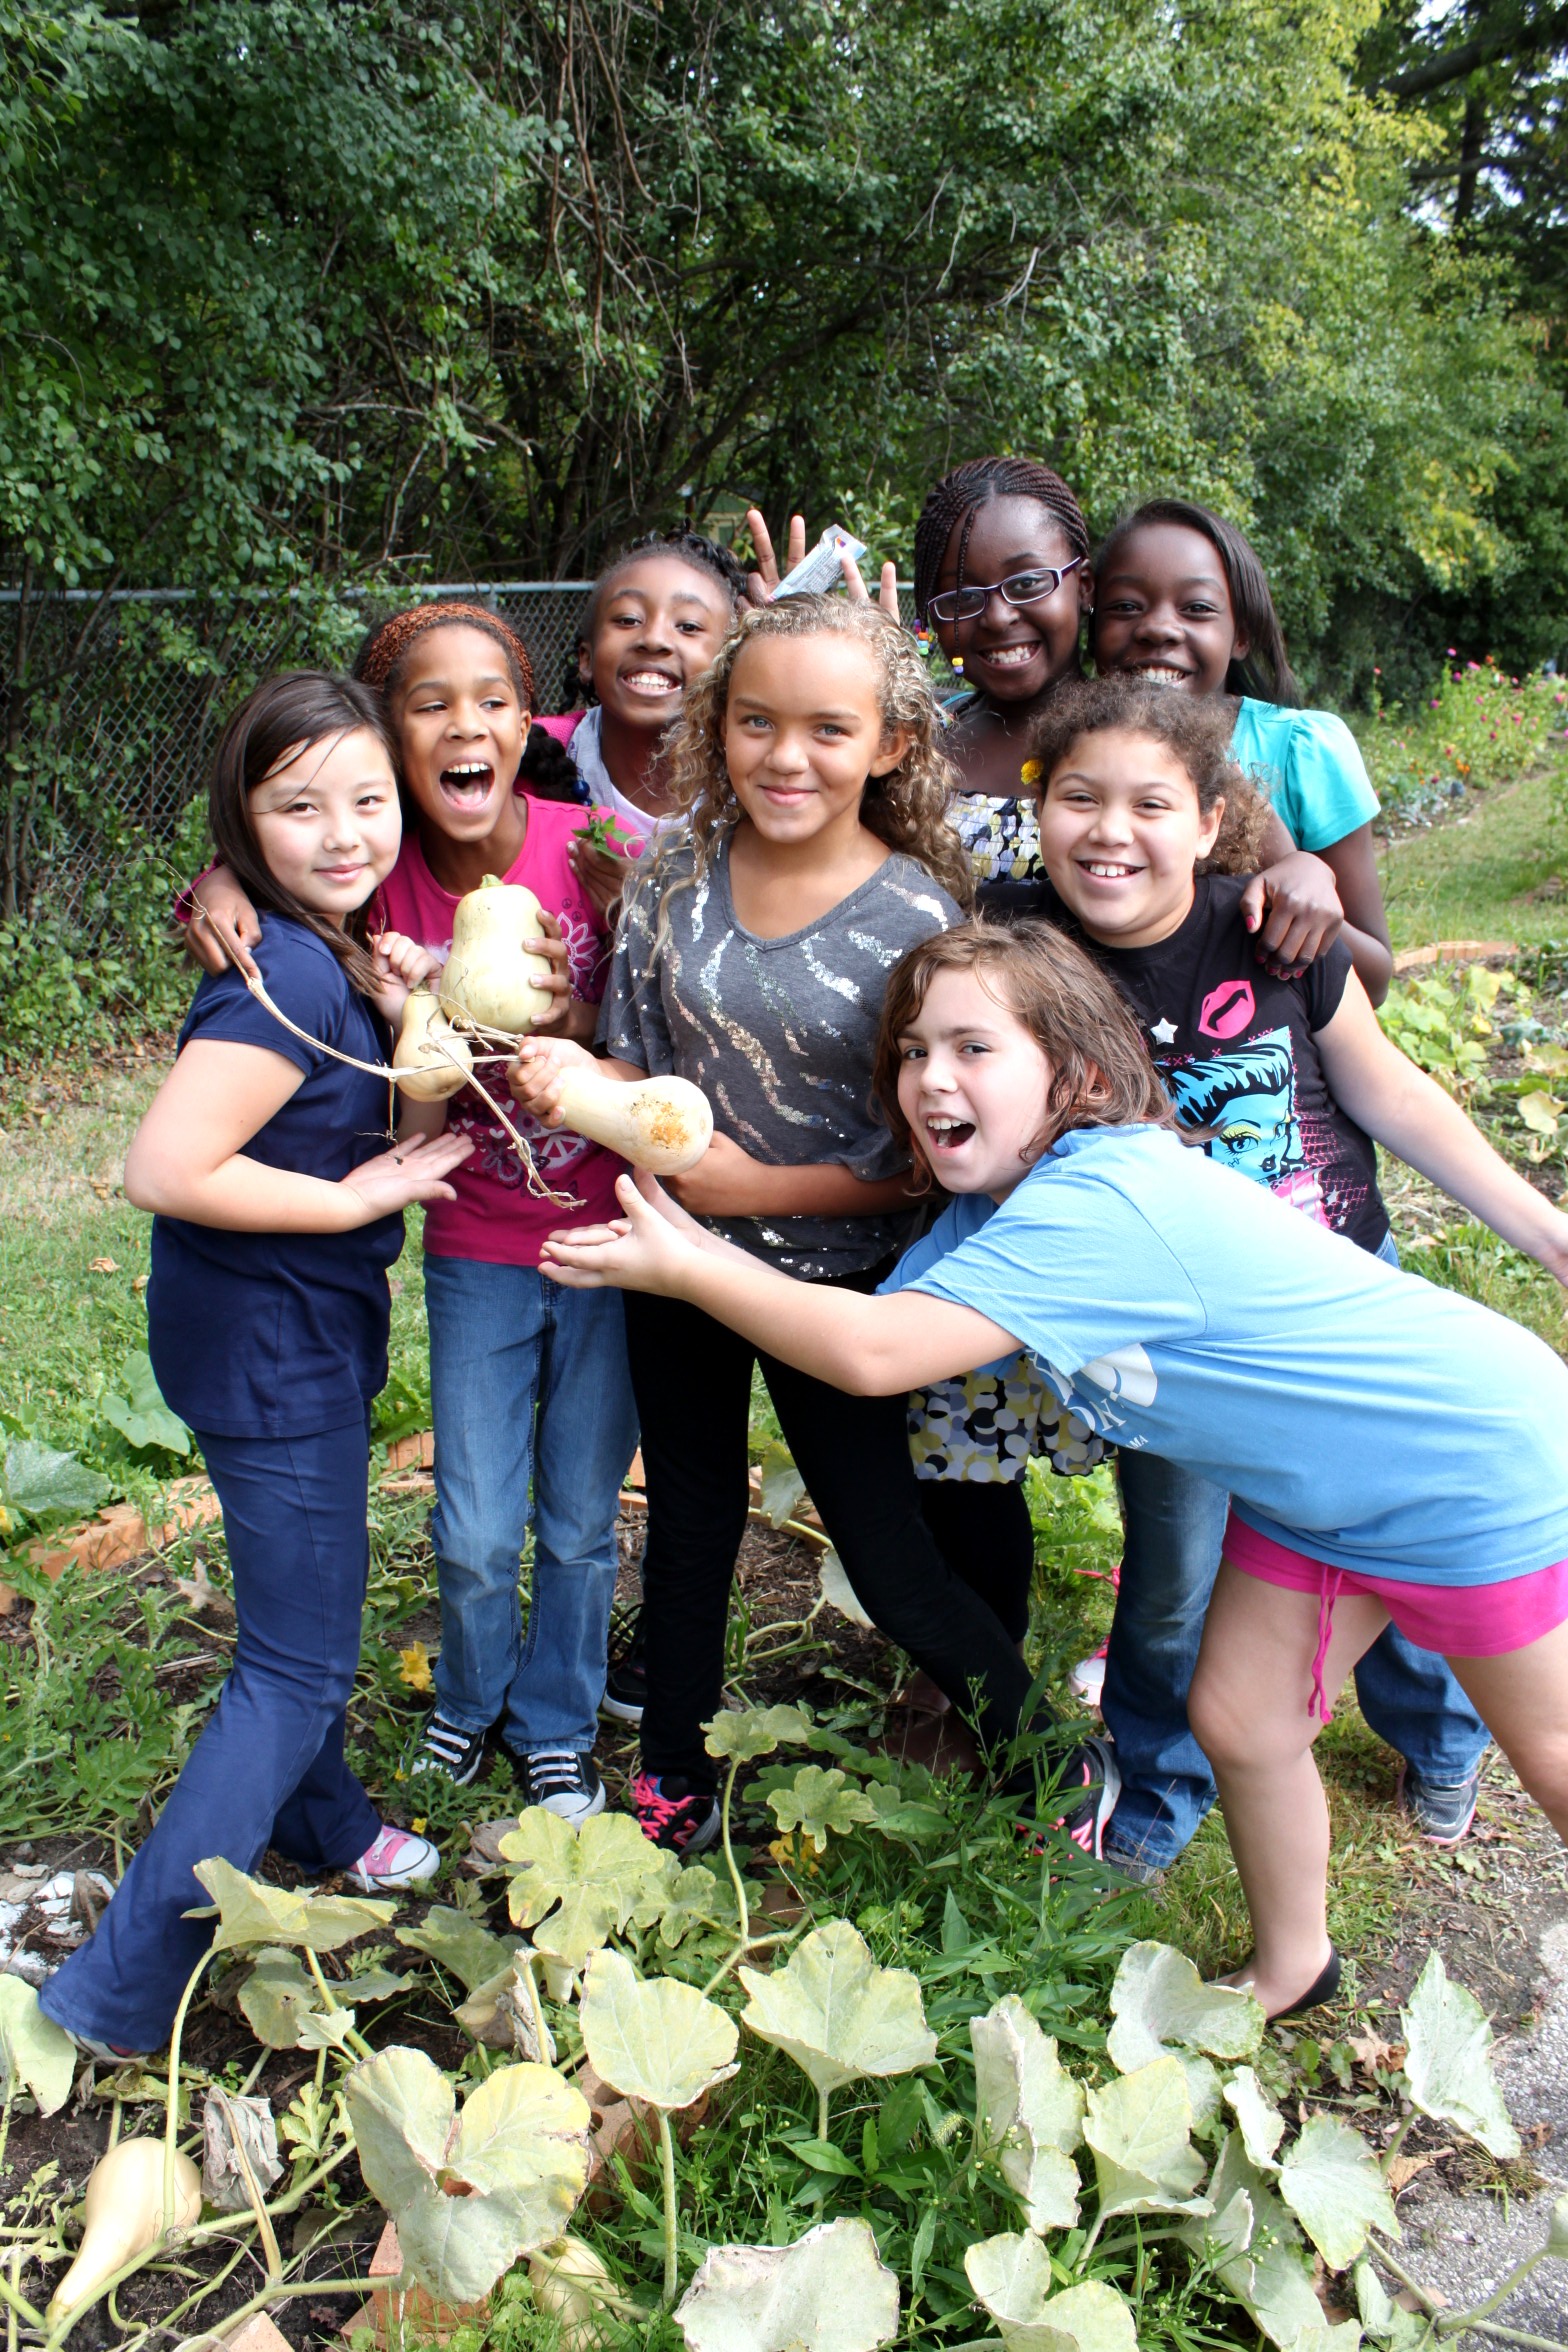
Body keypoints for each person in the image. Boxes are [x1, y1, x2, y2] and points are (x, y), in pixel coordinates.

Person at [535, 918, 1568, 2021]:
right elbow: (877, 1323)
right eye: (913, 1050)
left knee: (1546, 1751)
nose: (930, 1075)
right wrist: (703, 1251)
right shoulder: (995, 1212)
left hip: (1462, 1467)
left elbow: (873, 1359)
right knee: (1241, 1721)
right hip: (1320, 1502)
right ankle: (1290, 1969)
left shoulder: (1099, 1202)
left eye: (972, 1047)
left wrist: (693, 1273)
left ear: (1073, 1075)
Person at [512, 596, 1118, 1856]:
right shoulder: (675, 874)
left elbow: (921, 1164)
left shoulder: (912, 920)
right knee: (687, 1527)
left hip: (834, 1291)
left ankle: (1047, 1763)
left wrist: (758, 1190)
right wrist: (583, 1091)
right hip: (671, 1264)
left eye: (826, 730)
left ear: (891, 745)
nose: (786, 757)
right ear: (716, 728)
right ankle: (670, 1785)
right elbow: (633, 1057)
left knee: (887, 1559)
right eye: (755, 724)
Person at [40, 673, 473, 2058]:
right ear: (245, 821)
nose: (342, 832)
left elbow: (395, 1104)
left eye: (365, 800)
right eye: (298, 807)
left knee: (294, 1623)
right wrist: (356, 1203)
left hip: (278, 1335)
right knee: (294, 1667)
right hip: (271, 1347)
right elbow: (160, 1165)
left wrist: (411, 1010)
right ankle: (113, 1993)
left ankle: (326, 1820)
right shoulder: (286, 965)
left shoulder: (329, 948)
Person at [183, 603, 637, 1823]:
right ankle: (471, 1697)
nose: (464, 725)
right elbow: (276, 869)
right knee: (480, 1522)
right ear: (390, 743)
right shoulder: (374, 887)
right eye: (428, 706)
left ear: (528, 719)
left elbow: (649, 1016)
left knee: (581, 1519)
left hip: (607, 1236)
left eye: (491, 700)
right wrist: (217, 878)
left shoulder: (589, 847)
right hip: (476, 1234)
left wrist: (569, 1032)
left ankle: (556, 1718)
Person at [1091, 497, 1393, 1001]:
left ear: (1242, 636)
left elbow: (1376, 979)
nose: (1158, 628)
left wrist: (1289, 863)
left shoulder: (1301, 750)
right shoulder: (1078, 755)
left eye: (1197, 609)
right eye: (1125, 606)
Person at [521, 530, 749, 917]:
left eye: (689, 626)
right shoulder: (526, 761)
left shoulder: (756, 786)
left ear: (730, 665)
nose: (654, 638)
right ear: (586, 659)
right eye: (628, 619)